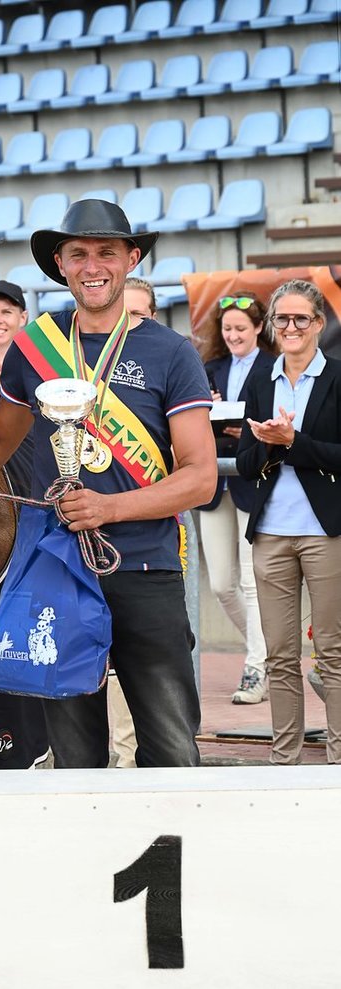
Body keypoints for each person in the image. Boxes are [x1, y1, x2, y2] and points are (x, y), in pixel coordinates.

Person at [0, 198, 217, 769]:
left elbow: (199, 477)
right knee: (74, 755)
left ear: (131, 259)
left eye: (107, 253)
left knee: (171, 749)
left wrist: (109, 509)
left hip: (145, 567)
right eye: (79, 255)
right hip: (58, 565)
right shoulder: (33, 345)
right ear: (60, 266)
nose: (93, 266)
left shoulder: (171, 352)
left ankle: (173, 856)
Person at [237, 279, 341, 765]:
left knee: (334, 654)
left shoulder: (339, 377)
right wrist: (267, 443)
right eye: (283, 318)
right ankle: (284, 762)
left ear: (319, 323)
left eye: (302, 318)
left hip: (326, 533)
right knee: (280, 656)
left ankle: (339, 758)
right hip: (271, 533)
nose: (292, 326)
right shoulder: (259, 380)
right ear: (273, 326)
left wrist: (292, 441)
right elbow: (244, 459)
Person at [197, 293, 277, 704]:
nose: (233, 336)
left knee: (250, 580)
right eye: (227, 329)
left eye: (241, 329)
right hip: (215, 484)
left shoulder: (273, 368)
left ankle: (256, 667)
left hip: (254, 481)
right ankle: (270, 657)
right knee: (222, 584)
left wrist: (244, 431)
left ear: (259, 329)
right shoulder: (210, 368)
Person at [107, 275, 158, 765]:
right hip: (78, 552)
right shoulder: (75, 370)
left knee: (139, 677)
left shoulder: (166, 359)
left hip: (144, 553)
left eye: (139, 315)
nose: (129, 325)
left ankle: (126, 759)